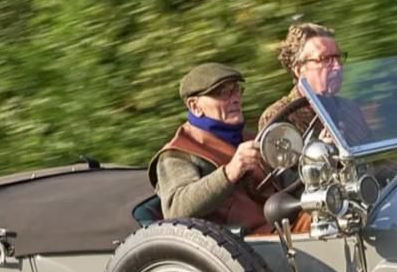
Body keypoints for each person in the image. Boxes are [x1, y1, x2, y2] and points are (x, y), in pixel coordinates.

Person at [149, 62, 300, 234]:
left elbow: (291, 182)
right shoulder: (177, 154)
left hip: (284, 224)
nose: (235, 99)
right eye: (223, 93)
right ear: (194, 106)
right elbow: (177, 209)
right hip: (244, 246)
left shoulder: (251, 138)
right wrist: (229, 172)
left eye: (236, 90)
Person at [258, 22, 375, 146]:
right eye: (325, 59)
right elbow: (280, 164)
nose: (337, 67)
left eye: (338, 58)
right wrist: (320, 152)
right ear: (299, 69)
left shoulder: (350, 109)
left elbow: (376, 160)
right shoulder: (279, 117)